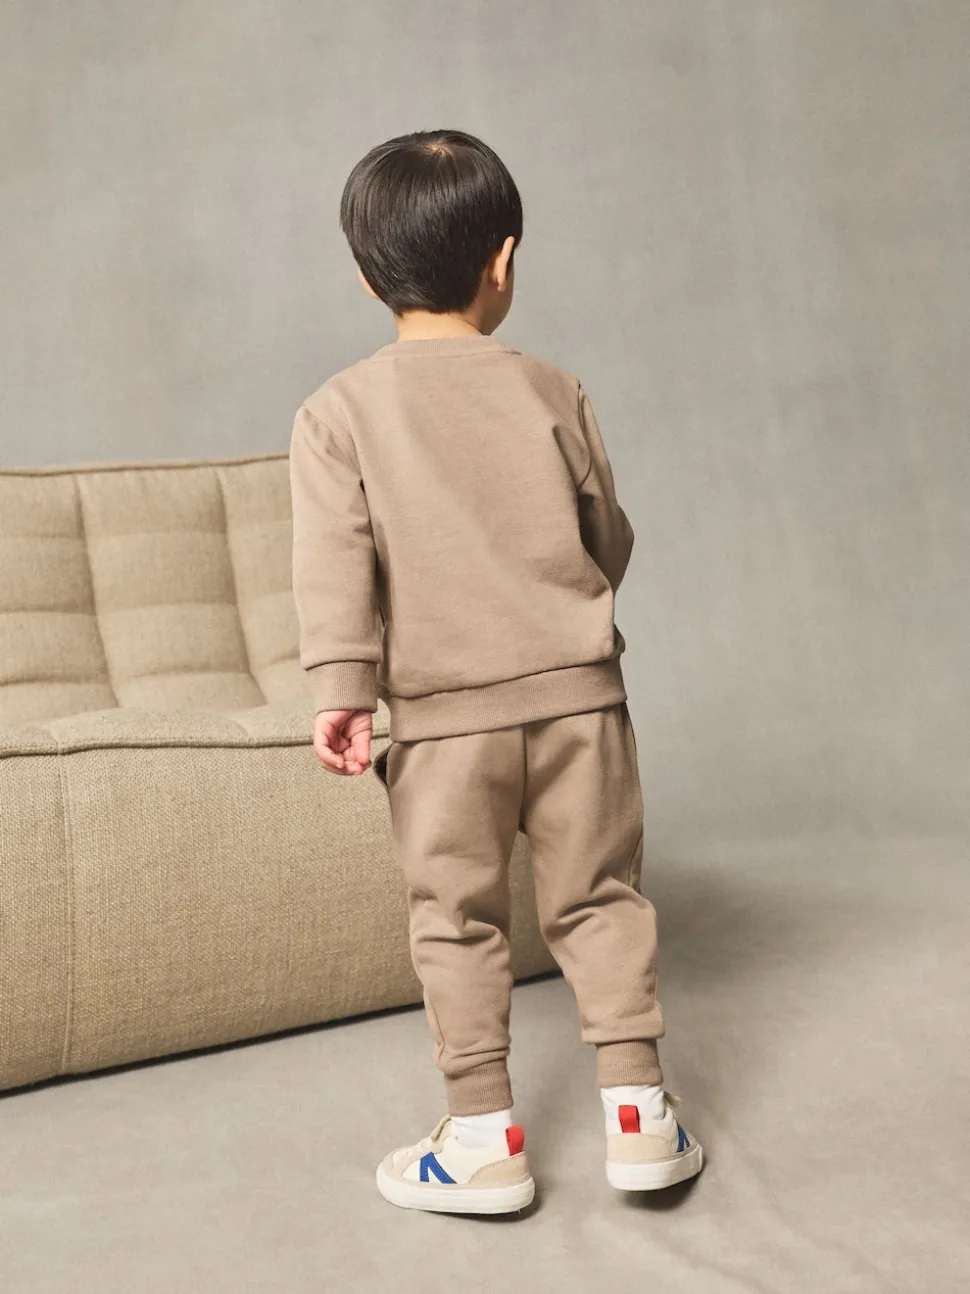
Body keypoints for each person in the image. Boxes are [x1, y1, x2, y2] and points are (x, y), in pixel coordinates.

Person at [289, 129, 703, 1215]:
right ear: (503, 261)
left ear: (366, 275)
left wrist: (342, 690)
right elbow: (606, 539)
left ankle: (482, 1138)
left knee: (455, 914)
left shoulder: (336, 412)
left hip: (442, 721)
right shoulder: (555, 390)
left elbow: (334, 565)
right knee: (601, 898)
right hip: (579, 705)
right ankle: (639, 1117)